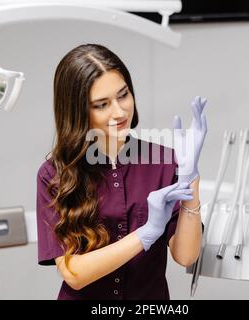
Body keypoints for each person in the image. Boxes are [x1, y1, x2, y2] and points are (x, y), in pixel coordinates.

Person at [36, 44, 208, 300]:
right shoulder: (54, 175)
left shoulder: (163, 161)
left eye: (123, 95)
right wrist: (146, 233)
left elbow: (185, 256)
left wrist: (190, 180)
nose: (119, 111)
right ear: (78, 111)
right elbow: (75, 274)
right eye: (102, 104)